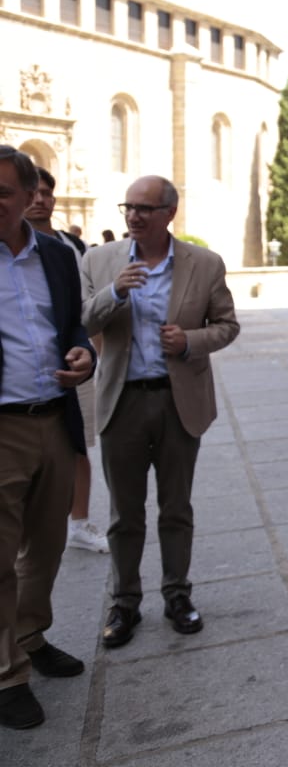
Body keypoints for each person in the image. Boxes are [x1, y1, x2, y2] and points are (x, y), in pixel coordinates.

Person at [81, 175, 239, 648]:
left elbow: (228, 325)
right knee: (123, 513)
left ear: (170, 213)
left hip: (177, 403)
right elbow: (81, 319)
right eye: (128, 206)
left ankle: (177, 595)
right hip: (122, 401)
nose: (133, 215)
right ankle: (124, 601)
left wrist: (191, 341)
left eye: (145, 208)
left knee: (176, 508)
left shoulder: (204, 263)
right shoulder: (99, 260)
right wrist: (115, 293)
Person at [0, 146, 94, 731]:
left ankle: (30, 636)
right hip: (2, 426)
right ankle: (6, 673)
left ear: (28, 195)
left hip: (54, 419)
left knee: (47, 544)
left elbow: (72, 323)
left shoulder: (56, 256)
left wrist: (81, 351)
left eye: (3, 193)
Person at [27, 167, 107, 555]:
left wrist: (92, 349)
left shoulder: (72, 248)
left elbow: (85, 305)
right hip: (25, 367)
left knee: (79, 444)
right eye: (34, 192)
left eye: (47, 193)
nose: (41, 199)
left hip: (76, 362)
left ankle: (79, 522)